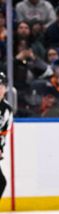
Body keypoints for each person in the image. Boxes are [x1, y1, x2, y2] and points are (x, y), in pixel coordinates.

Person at [0, 73, 12, 203]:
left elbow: (4, 131)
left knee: (1, 182)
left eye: (2, 85)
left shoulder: (7, 109)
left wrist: (0, 148)